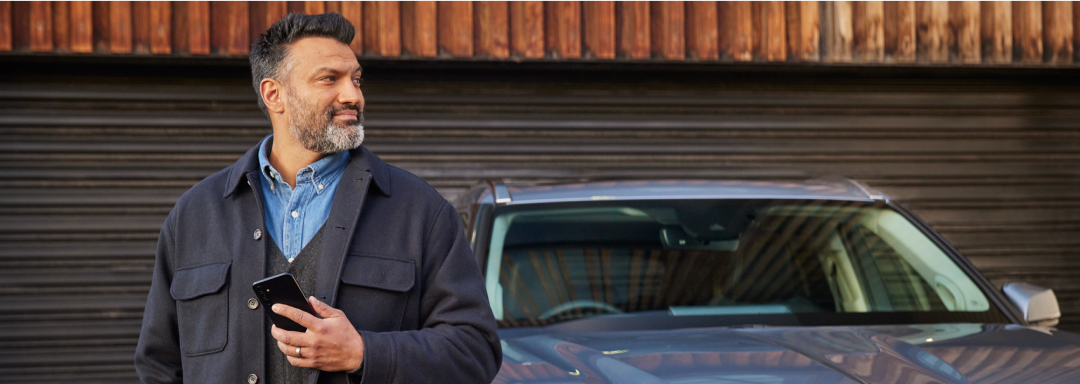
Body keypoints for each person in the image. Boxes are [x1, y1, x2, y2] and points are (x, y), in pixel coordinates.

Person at [134, 13, 501, 384]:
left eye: (356, 79)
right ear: (274, 94)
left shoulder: (421, 212)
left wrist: (363, 353)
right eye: (330, 79)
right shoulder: (195, 215)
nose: (353, 95)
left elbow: (476, 351)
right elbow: (159, 364)